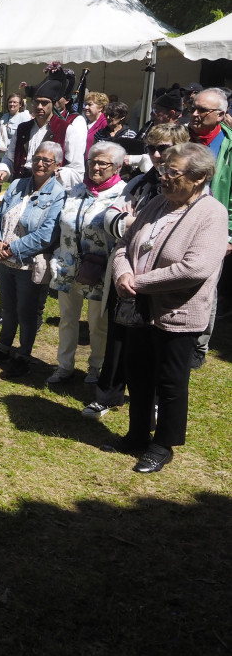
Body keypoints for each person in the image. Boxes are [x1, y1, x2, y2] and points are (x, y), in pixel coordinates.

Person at [106, 143, 228, 473]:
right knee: (138, 372)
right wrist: (124, 272)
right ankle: (136, 434)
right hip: (139, 307)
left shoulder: (211, 214)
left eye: (173, 172)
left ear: (200, 177)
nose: (164, 176)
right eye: (164, 170)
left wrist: (139, 282)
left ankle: (163, 445)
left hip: (178, 312)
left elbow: (195, 268)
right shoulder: (157, 203)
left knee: (170, 382)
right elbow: (123, 245)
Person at [83, 123, 189, 418]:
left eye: (164, 148)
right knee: (119, 335)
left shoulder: (190, 186)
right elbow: (111, 216)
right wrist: (128, 224)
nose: (156, 154)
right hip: (126, 267)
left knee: (157, 340)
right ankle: (108, 394)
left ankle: (153, 401)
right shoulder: (139, 182)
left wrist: (136, 223)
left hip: (162, 275)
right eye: (152, 148)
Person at [0, 142, 65, 379]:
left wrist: (12, 249)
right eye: (37, 158)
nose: (40, 164)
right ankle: (3, 347)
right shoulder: (17, 184)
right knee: (8, 307)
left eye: (46, 161)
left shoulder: (58, 194)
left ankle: (23, 355)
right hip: (5, 259)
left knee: (27, 313)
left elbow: (47, 234)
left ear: (56, 165)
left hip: (30, 263)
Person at [47, 142, 128, 385]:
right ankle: (65, 365)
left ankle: (96, 367)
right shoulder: (77, 189)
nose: (96, 167)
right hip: (68, 265)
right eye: (92, 162)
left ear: (117, 167)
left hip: (100, 270)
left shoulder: (123, 194)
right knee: (67, 319)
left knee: (97, 323)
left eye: (103, 163)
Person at [186, 87, 232, 367]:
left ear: (221, 115)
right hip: (175, 219)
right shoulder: (181, 137)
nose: (195, 114)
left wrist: (230, 233)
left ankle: (198, 346)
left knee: (207, 284)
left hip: (213, 224)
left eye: (203, 110)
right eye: (194, 107)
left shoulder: (228, 146)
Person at [0, 64, 87, 190]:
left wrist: (57, 174)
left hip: (51, 190)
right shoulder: (23, 129)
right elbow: (9, 159)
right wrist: (3, 170)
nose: (39, 106)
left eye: (45, 103)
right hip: (20, 187)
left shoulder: (66, 129)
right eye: (36, 102)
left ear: (52, 104)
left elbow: (77, 170)